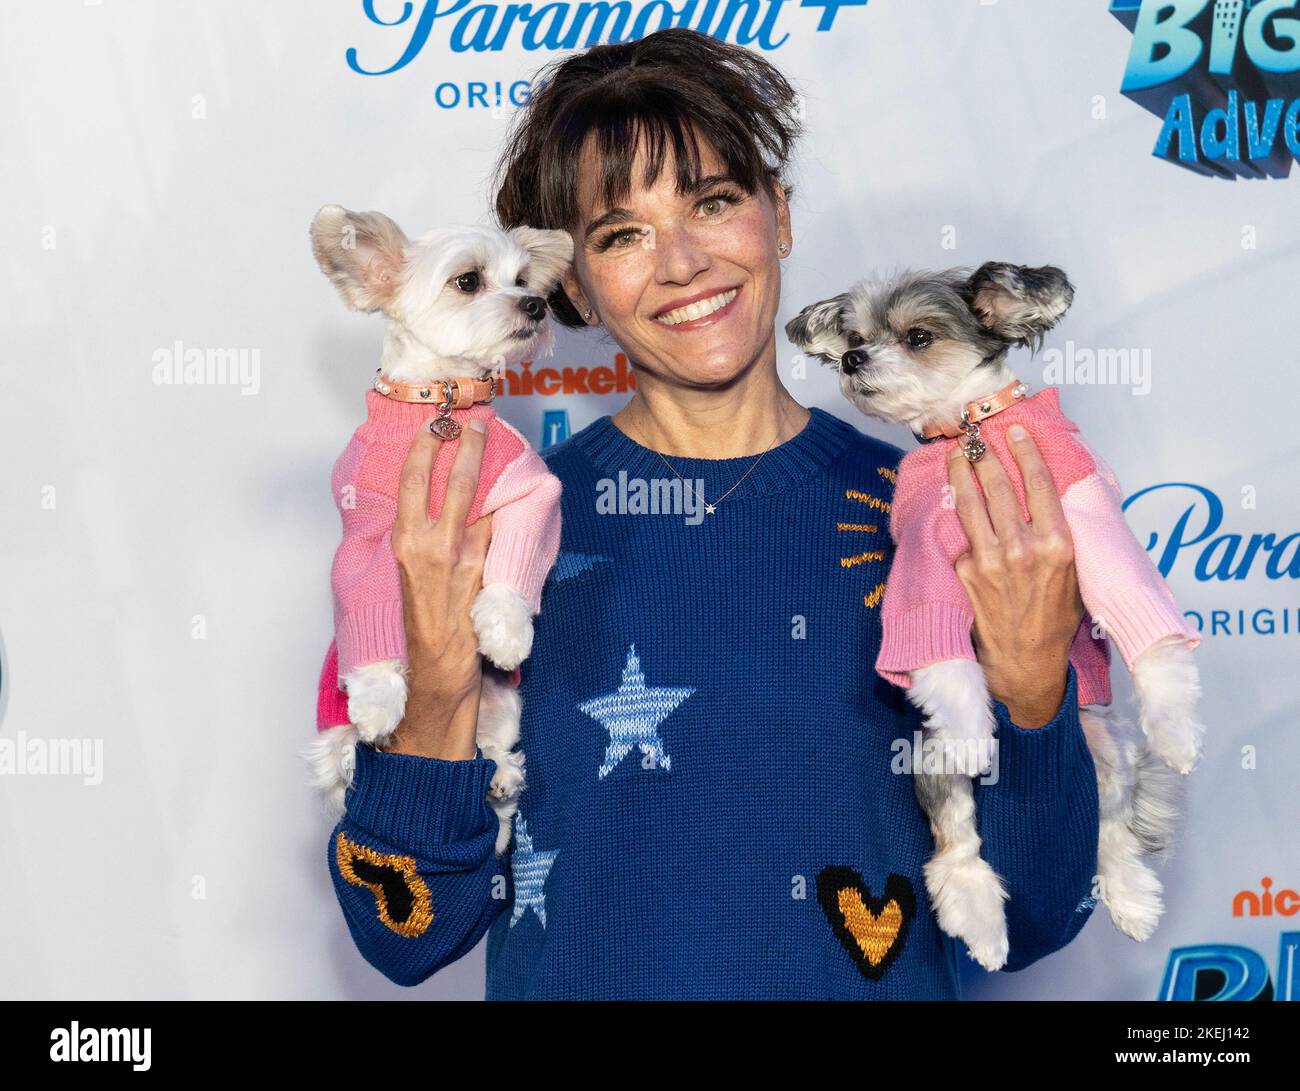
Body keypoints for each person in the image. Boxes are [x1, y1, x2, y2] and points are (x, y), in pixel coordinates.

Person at [324, 28, 1099, 999]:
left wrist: (1031, 687)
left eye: (712, 200)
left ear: (776, 213)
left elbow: (1033, 914)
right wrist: (438, 680)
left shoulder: (938, 511)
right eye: (620, 234)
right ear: (574, 284)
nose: (682, 260)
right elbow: (406, 934)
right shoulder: (485, 526)